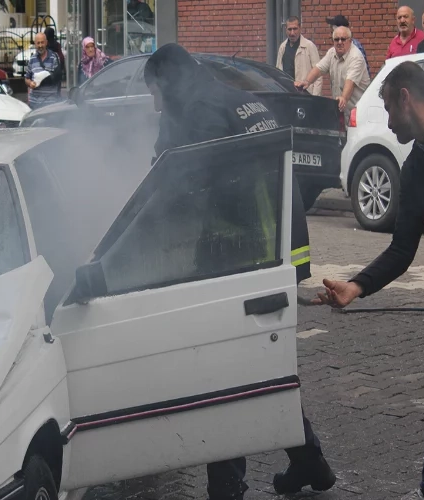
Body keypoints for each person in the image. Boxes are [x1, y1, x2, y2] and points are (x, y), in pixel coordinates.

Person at [144, 43, 335, 500]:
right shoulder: (232, 98)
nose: (154, 103)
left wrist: (145, 223)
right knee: (259, 363)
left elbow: (185, 185)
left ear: (171, 82)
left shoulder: (202, 112)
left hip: (249, 252)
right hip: (280, 245)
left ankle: (227, 486)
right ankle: (310, 461)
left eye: (155, 92)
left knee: (222, 370)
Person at [311, 61, 424, 500]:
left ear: (405, 98)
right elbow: (402, 250)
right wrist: (356, 285)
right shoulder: (416, 168)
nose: (385, 121)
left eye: (387, 108)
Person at [295, 26, 371, 124]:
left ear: (350, 40)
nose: (339, 42)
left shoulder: (356, 57)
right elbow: (319, 69)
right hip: (341, 112)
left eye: (343, 39)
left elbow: (350, 82)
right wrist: (307, 82)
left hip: (359, 115)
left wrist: (343, 97)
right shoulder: (332, 53)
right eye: (336, 39)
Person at [276, 16, 321, 96]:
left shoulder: (309, 46)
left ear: (300, 28)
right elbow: (278, 73)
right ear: (286, 29)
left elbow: (318, 74)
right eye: (289, 29)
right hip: (286, 94)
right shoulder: (282, 47)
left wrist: (315, 98)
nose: (292, 33)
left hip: (306, 95)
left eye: (295, 29)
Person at [25, 32, 62, 110]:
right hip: (34, 103)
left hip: (50, 103)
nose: (40, 45)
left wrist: (47, 79)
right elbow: (26, 78)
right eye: (38, 43)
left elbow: (58, 77)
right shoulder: (32, 59)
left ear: (46, 43)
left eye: (42, 42)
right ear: (35, 44)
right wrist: (30, 83)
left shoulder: (54, 57)